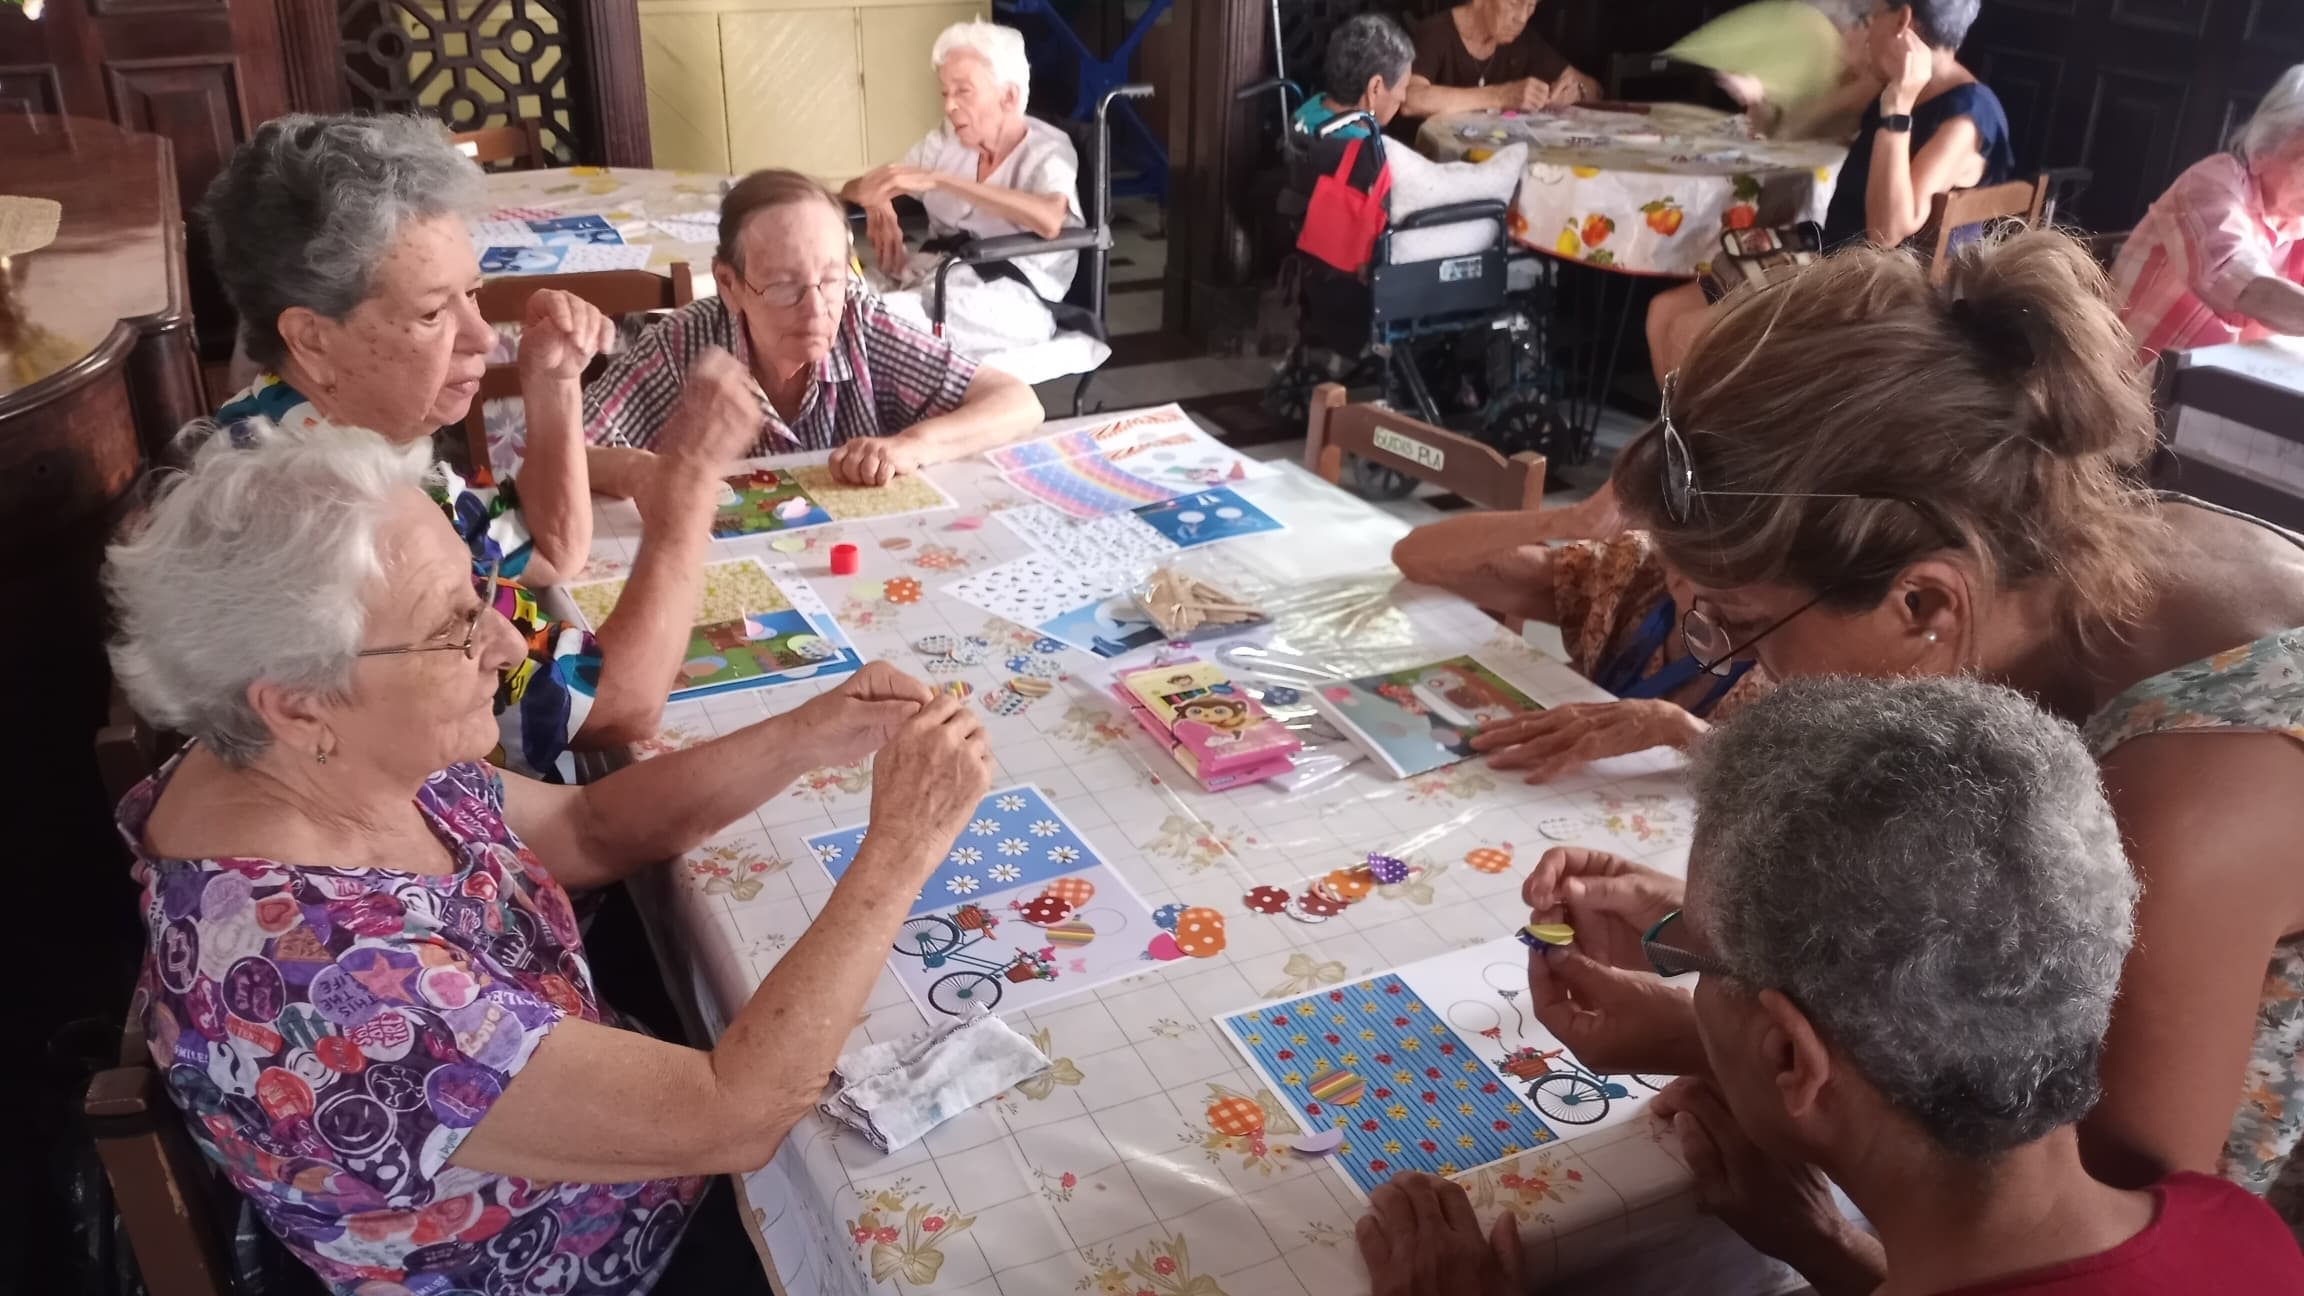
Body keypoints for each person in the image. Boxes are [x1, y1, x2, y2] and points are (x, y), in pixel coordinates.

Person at [105, 418, 994, 1294]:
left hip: (619, 1134)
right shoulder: (334, 979)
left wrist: (811, 732)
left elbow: (587, 829)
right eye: (454, 627)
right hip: (604, 1263)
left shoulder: (310, 761)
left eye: (476, 595)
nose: (503, 642)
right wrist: (902, 846)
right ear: (298, 707)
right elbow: (734, 1115)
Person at [1563, 229, 2304, 1223]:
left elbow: (2120, 1226)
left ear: (1921, 604)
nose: (1736, 669)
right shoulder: (2026, 558)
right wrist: (1739, 953)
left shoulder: (2193, 793)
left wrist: (1727, 1047)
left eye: (1743, 627)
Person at [1357, 678, 2304, 1296]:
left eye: (1695, 962)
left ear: (1786, 1055)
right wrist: (1835, 1256)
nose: (1681, 965)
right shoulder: (2242, 1235)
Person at [201, 112, 752, 780]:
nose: (484, 337)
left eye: (474, 294)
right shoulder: (345, 519)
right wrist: (687, 496)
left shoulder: (301, 420)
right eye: (434, 313)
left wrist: (550, 383)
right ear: (312, 338)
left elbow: (546, 552)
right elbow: (607, 709)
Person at [586, 168, 1044, 486]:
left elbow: (1019, 403)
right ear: (729, 284)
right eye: (784, 287)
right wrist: (647, 471)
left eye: (830, 279)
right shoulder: (684, 346)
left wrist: (911, 446)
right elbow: (561, 458)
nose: (816, 310)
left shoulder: (859, 324)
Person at [1644, 0, 2015, 384]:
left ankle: (1708, 438)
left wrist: (1897, 111)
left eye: (1871, 18)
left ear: (1903, 20)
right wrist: (1763, 100)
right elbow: (1796, 128)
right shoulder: (1887, 85)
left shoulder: (1966, 116)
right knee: (1663, 312)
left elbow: (1887, 233)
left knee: (1686, 333)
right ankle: (1680, 439)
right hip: (1829, 256)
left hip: (1876, 290)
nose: (1865, 29)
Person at [1391, 519, 1766, 782]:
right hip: (1562, 793)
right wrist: (1570, 518)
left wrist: (1678, 728)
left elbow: (1806, 799)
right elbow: (1416, 557)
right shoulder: (1637, 568)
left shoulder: (1795, 650)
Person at [840, 21, 1088, 361]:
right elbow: (857, 187)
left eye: (963, 91)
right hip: (933, 276)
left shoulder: (1048, 149)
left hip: (1011, 302)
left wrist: (943, 181)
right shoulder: (948, 139)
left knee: (881, 322)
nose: (949, 107)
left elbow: (1049, 219)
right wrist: (877, 201)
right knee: (838, 298)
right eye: (945, 93)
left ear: (1008, 96)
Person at [2115, 65, 2304, 361]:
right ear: (2261, 153)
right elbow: (2243, 282)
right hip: (2125, 381)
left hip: (2215, 392)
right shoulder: (2213, 184)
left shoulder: (2297, 227)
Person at [1398, 0, 1602, 129]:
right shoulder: (1436, 32)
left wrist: (1578, 90)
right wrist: (1501, 96)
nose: (1521, 18)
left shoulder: (1524, 42)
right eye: (1514, 3)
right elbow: (1411, 100)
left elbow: (1596, 90)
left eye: (1531, 6)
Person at [1291, 13, 1416, 142]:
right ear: (1375, 88)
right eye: (1403, 87)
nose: (1403, 97)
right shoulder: (1364, 151)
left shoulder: (1310, 107)